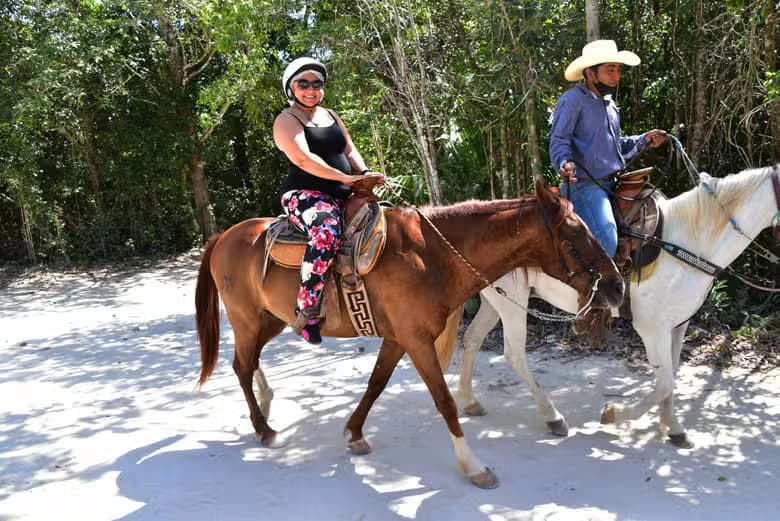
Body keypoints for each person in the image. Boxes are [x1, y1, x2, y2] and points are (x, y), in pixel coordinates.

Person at [549, 39, 667, 344]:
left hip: (613, 181)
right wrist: (564, 163)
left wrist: (644, 139)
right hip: (584, 184)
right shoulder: (572, 101)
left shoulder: (609, 105)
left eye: (618, 69)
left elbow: (616, 147)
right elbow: (559, 140)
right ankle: (588, 306)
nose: (617, 75)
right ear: (591, 73)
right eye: (610, 69)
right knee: (608, 236)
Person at [273, 57, 385, 344]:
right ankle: (307, 308)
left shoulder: (331, 115)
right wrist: (345, 178)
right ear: (291, 88)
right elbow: (303, 158)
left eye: (317, 84)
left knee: (387, 219)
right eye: (303, 84)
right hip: (305, 195)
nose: (311, 89)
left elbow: (349, 149)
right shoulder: (286, 120)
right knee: (326, 232)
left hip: (344, 192)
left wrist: (364, 174)